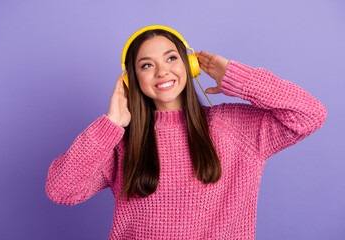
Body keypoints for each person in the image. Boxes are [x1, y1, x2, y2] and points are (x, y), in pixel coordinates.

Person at [45, 25, 327, 239]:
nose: (161, 72)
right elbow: (60, 190)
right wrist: (112, 124)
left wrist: (234, 76)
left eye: (171, 58)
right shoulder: (120, 143)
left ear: (189, 65)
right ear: (132, 79)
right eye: (146, 65)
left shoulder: (232, 126)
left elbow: (309, 114)